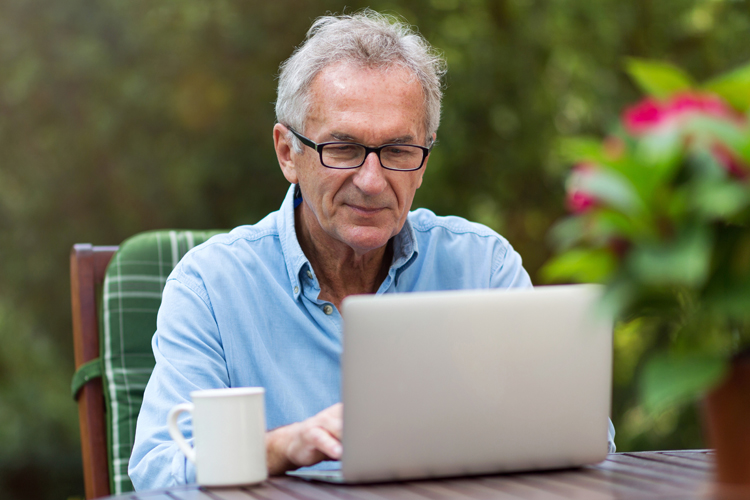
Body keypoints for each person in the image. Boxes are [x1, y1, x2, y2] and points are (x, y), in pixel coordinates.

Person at [129, 9, 613, 490]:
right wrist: (279, 449)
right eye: (343, 149)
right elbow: (158, 474)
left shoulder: (482, 264)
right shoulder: (211, 286)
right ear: (287, 153)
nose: (371, 180)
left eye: (399, 151)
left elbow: (586, 441)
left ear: (424, 160)